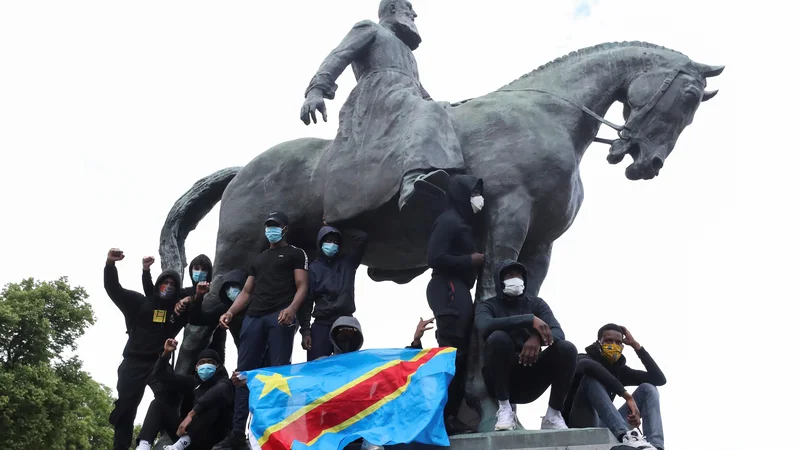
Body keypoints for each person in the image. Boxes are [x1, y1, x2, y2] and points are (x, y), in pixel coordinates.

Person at [300, 0, 465, 223]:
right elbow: (339, 55)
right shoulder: (370, 28)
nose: (414, 14)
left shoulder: (408, 53)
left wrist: (450, 108)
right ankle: (413, 181)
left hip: (408, 98)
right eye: (409, 8)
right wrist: (316, 90)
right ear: (393, 8)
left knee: (437, 109)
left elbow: (419, 89)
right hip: (378, 96)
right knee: (430, 110)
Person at [215, 210, 309, 450]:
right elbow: (246, 292)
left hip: (280, 317)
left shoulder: (296, 254)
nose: (271, 229)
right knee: (242, 375)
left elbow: (302, 286)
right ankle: (238, 434)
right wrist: (230, 312)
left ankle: (274, 432)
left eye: (275, 225)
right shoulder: (258, 259)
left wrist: (291, 309)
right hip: (254, 317)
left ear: (285, 228)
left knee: (278, 376)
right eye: (268, 225)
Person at [104, 248, 203, 450]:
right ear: (158, 285)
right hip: (133, 363)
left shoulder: (177, 310)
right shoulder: (140, 302)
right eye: (164, 282)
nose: (168, 286)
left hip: (159, 364)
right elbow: (114, 289)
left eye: (172, 285)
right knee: (125, 410)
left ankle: (178, 441)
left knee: (167, 402)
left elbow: (201, 291)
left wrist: (189, 299)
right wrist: (110, 264)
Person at [474, 260, 577, 431]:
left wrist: (537, 338)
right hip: (500, 380)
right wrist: (529, 320)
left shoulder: (537, 304)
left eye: (518, 274)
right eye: (508, 275)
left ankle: (553, 415)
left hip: (531, 377)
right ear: (499, 280)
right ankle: (505, 409)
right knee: (498, 337)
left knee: (567, 348)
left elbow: (558, 332)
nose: (515, 278)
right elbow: (484, 325)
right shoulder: (488, 305)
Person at [424, 174, 484, 434]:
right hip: (446, 286)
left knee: (461, 355)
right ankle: (442, 418)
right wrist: (470, 261)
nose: (477, 199)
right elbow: (434, 257)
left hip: (458, 289)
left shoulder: (463, 221)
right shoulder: (449, 220)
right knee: (451, 354)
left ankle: (452, 416)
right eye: (473, 193)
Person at [563, 324, 666, 450]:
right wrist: (626, 396)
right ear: (598, 343)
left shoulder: (620, 371)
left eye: (618, 342)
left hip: (608, 424)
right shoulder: (583, 358)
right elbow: (588, 366)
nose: (613, 345)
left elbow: (659, 379)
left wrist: (635, 345)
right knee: (591, 378)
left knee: (648, 389)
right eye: (608, 341)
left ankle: (655, 445)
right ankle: (626, 435)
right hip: (580, 422)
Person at [135, 339, 234, 450]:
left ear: (217, 366)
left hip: (212, 439)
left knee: (211, 404)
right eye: (202, 362)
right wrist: (166, 354)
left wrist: (191, 414)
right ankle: (143, 445)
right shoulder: (192, 382)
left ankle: (179, 446)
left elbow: (218, 392)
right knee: (158, 404)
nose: (206, 365)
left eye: (210, 362)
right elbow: (161, 376)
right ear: (196, 367)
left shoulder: (225, 382)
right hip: (187, 436)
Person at [300, 224, 368, 361]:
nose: (332, 244)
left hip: (345, 323)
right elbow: (306, 303)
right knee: (316, 368)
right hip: (321, 324)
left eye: (336, 242)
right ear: (320, 243)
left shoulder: (349, 263)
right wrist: (306, 331)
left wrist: (337, 223)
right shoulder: (313, 269)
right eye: (329, 241)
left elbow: (362, 238)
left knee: (347, 367)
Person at [143, 254, 227, 361]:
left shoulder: (215, 293)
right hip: (188, 346)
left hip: (215, 340)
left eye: (204, 269)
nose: (200, 272)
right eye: (196, 268)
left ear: (210, 272)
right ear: (191, 270)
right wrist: (146, 270)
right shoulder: (184, 292)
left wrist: (189, 299)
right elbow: (155, 297)